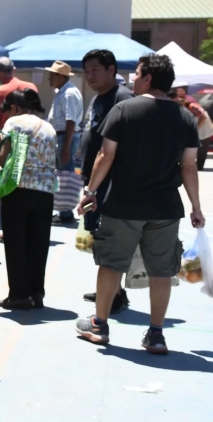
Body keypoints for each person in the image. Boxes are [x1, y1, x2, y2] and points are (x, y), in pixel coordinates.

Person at [76, 54, 204, 354]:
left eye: (136, 73)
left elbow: (105, 155)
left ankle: (99, 324)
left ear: (147, 78)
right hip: (165, 208)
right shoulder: (185, 117)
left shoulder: (124, 110)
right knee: (161, 271)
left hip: (123, 205)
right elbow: (188, 166)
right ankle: (156, 334)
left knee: (111, 265)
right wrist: (196, 207)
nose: (133, 78)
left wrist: (91, 190)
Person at [0, 89, 57, 309]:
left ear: (15, 108)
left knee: (16, 242)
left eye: (6, 111)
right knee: (39, 243)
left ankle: (18, 294)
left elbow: (2, 157)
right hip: (45, 191)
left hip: (18, 189)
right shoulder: (49, 127)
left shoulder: (14, 123)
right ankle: (37, 292)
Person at [78, 50, 134, 311]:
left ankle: (115, 295)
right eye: (87, 71)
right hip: (94, 182)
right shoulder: (99, 99)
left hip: (111, 183)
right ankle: (110, 291)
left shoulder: (122, 99)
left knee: (110, 238)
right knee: (97, 236)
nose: (90, 76)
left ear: (112, 70)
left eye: (95, 70)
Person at [44, 61, 84, 224]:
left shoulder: (69, 93)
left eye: (52, 75)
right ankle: (63, 210)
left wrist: (66, 147)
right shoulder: (63, 91)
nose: (49, 78)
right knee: (62, 174)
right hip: (61, 136)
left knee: (65, 174)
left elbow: (71, 120)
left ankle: (66, 212)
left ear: (61, 76)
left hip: (65, 137)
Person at [0, 57, 37, 152]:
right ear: (14, 70)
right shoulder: (31, 87)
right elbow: (37, 114)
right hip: (32, 139)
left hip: (9, 142)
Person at [182, 99, 213, 170]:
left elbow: (203, 118)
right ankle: (197, 166)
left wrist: (197, 127)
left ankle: (199, 166)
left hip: (205, 129)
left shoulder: (193, 107)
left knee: (203, 149)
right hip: (200, 130)